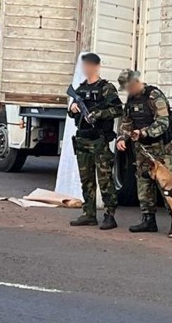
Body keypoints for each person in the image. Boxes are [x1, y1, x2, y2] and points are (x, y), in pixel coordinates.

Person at [115, 69, 172, 234]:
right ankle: (148, 220)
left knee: (168, 185)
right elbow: (126, 123)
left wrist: (144, 132)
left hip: (161, 148)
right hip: (142, 149)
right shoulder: (131, 100)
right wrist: (122, 138)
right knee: (143, 183)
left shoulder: (155, 97)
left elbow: (164, 122)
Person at [69, 53, 123, 230]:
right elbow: (71, 112)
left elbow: (117, 110)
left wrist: (97, 114)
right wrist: (74, 108)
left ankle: (110, 215)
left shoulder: (106, 88)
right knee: (87, 180)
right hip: (82, 140)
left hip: (99, 140)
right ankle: (89, 213)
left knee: (105, 180)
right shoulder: (81, 88)